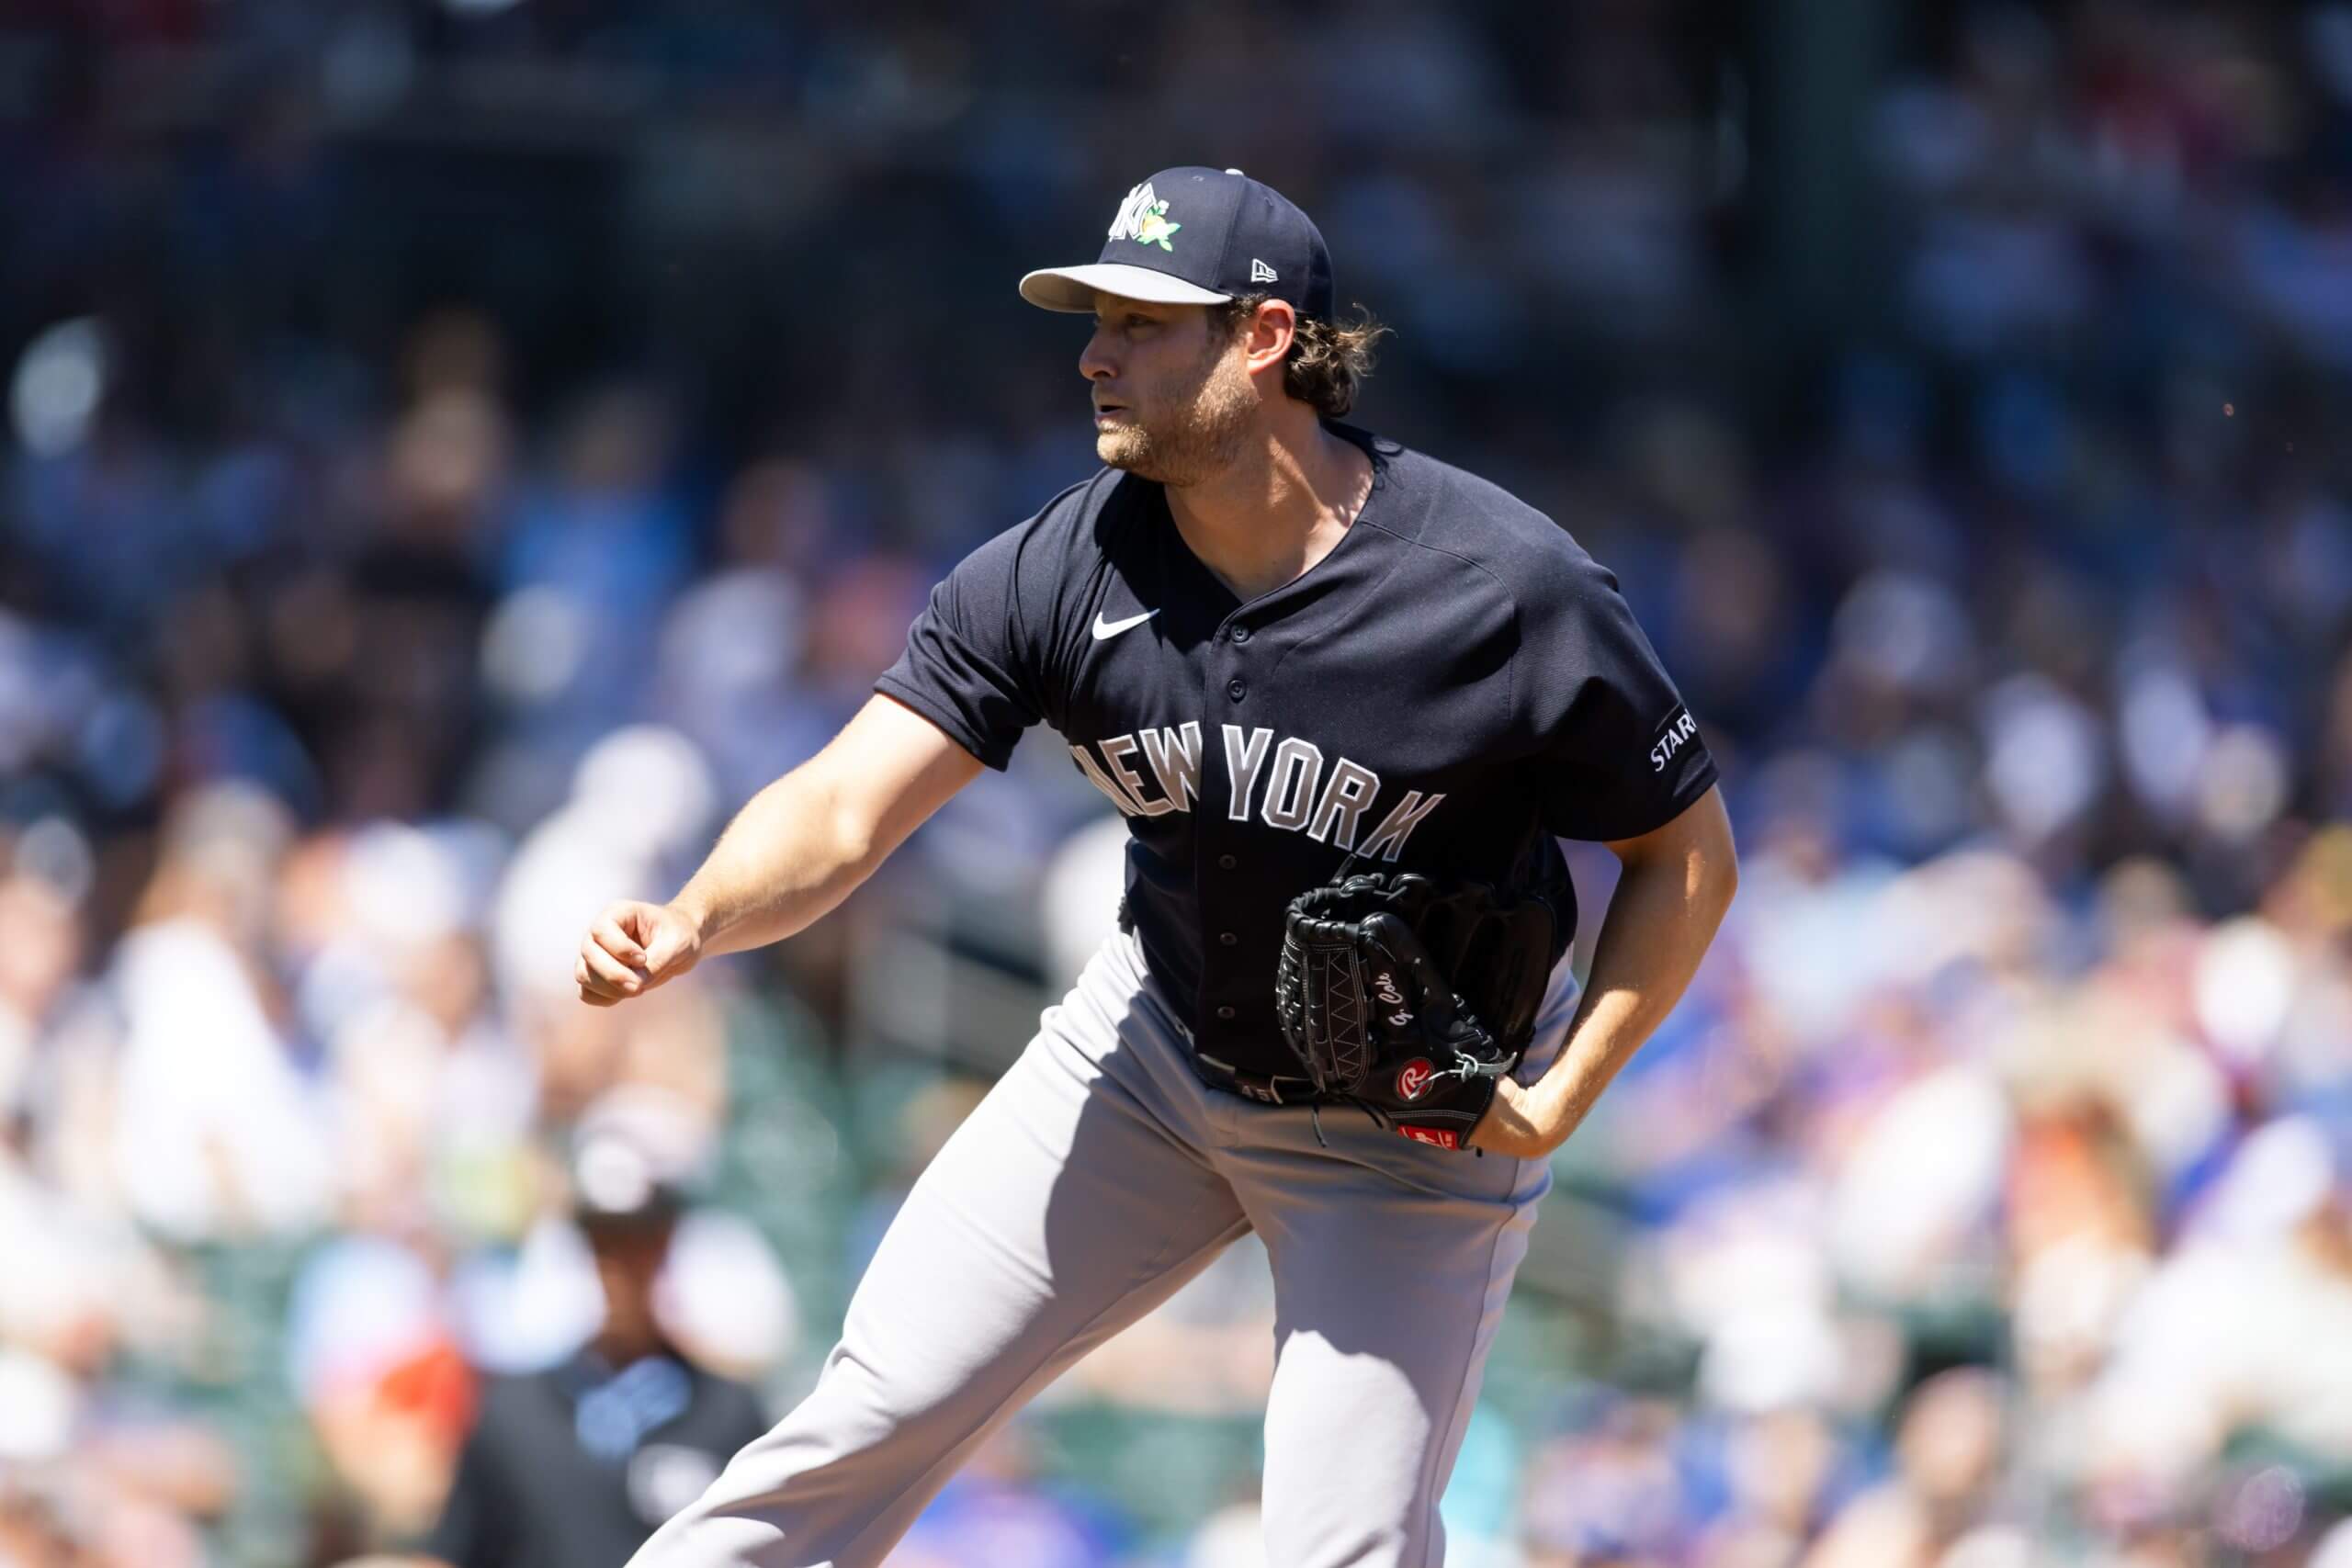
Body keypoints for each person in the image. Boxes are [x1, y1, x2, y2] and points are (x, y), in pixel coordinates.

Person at [575, 166, 1738, 1567]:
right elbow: (843, 804)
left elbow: (1683, 856)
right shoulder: (1067, 566)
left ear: (1260, 338)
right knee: (853, 1427)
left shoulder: (1500, 586)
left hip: (1407, 1122)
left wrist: (1562, 1096)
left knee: (1344, 1548)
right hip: (1150, 1050)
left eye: (1139, 321)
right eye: (1095, 317)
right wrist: (694, 914)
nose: (1093, 352)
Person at [417, 1132, 771, 1568]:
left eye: (636, 1244)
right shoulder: (511, 1414)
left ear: (665, 1246)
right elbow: (455, 1552)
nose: (617, 1266)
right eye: (602, 1243)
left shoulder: (727, 1413)